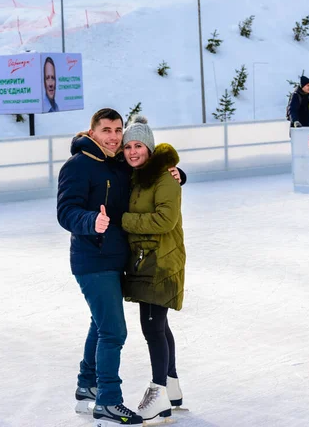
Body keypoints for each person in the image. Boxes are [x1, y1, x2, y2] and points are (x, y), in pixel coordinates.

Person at [57, 109, 185, 427]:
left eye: (117, 130)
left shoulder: (117, 163)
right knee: (114, 331)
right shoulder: (77, 165)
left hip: (117, 260)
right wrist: (90, 221)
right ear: (92, 132)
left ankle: (87, 387)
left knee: (99, 325)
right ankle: (108, 402)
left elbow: (150, 174)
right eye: (106, 130)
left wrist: (180, 174)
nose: (114, 137)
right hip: (93, 259)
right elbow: (65, 210)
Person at [121, 116, 186, 422]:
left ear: (149, 147)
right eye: (128, 146)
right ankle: (172, 386)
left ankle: (158, 391)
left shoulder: (163, 177)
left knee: (152, 327)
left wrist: (124, 220)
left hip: (160, 262)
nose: (133, 151)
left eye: (139, 146)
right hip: (148, 260)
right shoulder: (139, 175)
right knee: (159, 325)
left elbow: (165, 220)